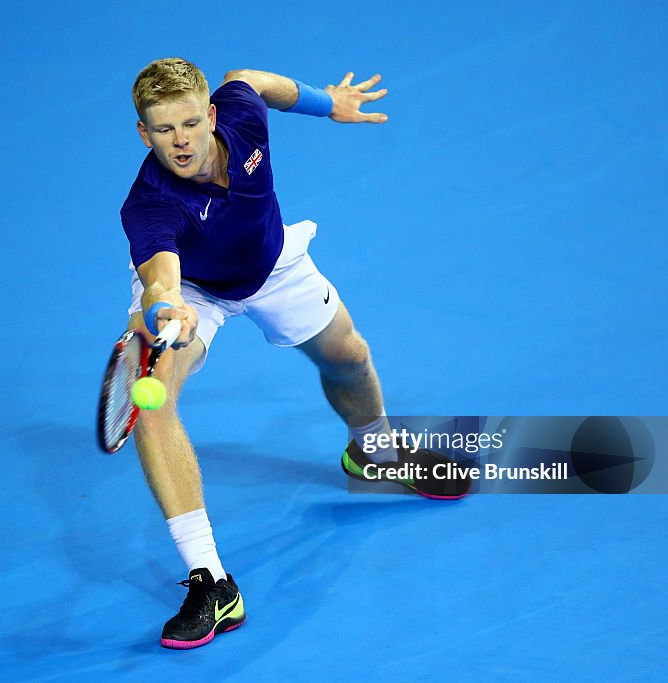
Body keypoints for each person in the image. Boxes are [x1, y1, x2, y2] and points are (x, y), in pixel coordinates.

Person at [119, 57, 469, 650]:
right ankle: (212, 582)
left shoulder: (241, 115)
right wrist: (163, 310)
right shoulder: (149, 204)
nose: (179, 142)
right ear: (143, 133)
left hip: (272, 263)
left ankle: (375, 452)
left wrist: (327, 103)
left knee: (350, 357)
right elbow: (160, 275)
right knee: (152, 399)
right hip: (194, 292)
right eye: (161, 130)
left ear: (210, 114)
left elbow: (251, 79)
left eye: (188, 124)